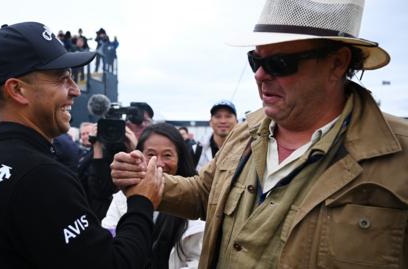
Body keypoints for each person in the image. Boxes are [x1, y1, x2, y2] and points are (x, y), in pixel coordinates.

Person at [110, 1, 408, 268]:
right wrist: (146, 180)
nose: (260, 75)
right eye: (256, 60)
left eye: (280, 63)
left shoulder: (398, 154)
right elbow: (204, 193)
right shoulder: (246, 131)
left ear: (337, 63)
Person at [0, 21, 164, 269]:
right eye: (62, 79)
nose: (75, 91)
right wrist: (141, 201)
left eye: (72, 79)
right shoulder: (39, 174)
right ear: (17, 90)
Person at [102, 123, 205, 269]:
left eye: (167, 155)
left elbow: (198, 260)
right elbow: (109, 237)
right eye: (150, 154)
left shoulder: (196, 200)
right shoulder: (121, 199)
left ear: (180, 158)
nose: (159, 163)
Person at [78, 102, 154, 219]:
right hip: (104, 215)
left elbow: (151, 182)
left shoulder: (154, 148)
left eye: (146, 121)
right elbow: (99, 190)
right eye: (138, 122)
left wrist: (135, 148)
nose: (142, 125)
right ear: (126, 124)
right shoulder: (105, 146)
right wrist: (97, 144)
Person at [193, 100, 237, 171]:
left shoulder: (247, 149)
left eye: (228, 116)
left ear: (236, 121)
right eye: (218, 116)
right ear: (210, 122)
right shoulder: (196, 150)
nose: (223, 121)